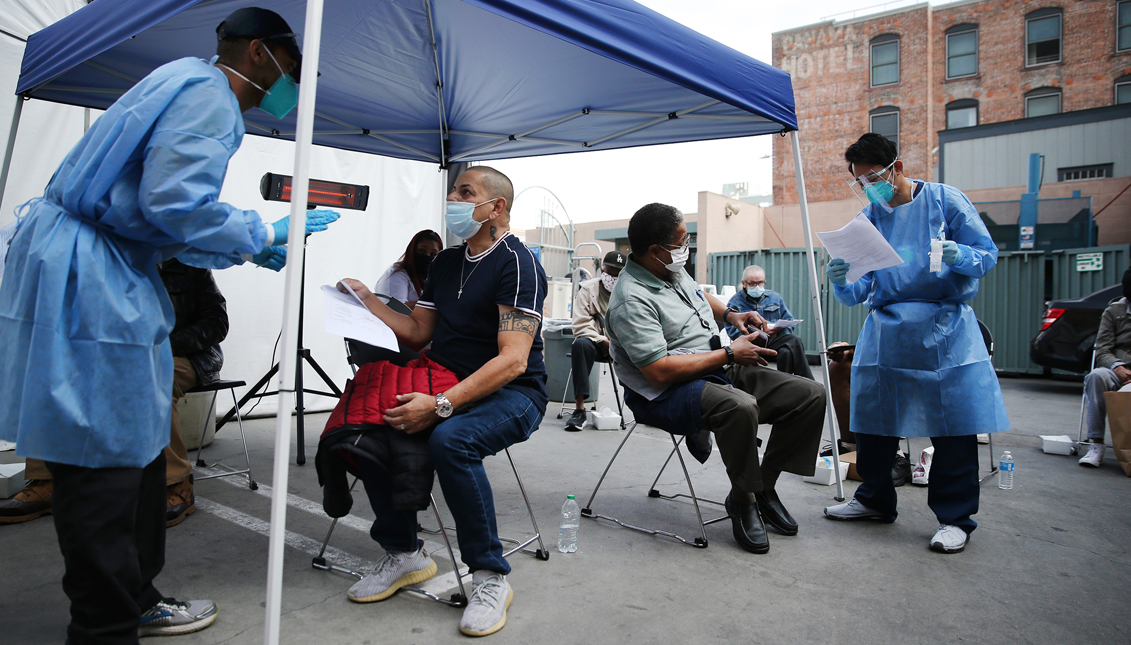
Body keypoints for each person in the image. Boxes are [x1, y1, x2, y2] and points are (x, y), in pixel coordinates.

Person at [0, 8, 340, 641]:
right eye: (292, 69)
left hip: (86, 261)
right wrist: (258, 230)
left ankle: (133, 595)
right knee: (101, 458)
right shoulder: (212, 96)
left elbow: (149, 210)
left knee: (120, 449)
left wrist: (240, 242)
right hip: (92, 280)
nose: (292, 89)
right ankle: (106, 623)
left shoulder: (178, 78)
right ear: (262, 53)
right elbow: (174, 202)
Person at [336, 165, 547, 637]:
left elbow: (513, 361)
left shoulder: (518, 263)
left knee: (452, 440)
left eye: (464, 191)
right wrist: (368, 298)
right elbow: (418, 332)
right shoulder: (447, 262)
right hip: (446, 380)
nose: (452, 197)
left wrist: (439, 404)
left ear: (497, 207)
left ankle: (490, 577)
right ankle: (406, 554)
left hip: (512, 393)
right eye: (454, 189)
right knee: (369, 427)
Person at [822, 133, 1009, 554]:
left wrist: (961, 255)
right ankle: (874, 499)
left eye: (873, 177)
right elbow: (860, 289)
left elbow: (986, 255)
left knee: (953, 427)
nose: (869, 188)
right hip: (886, 331)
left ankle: (954, 518)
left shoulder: (946, 201)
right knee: (873, 422)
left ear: (898, 168)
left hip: (943, 328)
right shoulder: (871, 217)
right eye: (860, 181)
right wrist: (842, 279)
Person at [605, 203, 826, 555]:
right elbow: (659, 371)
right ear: (655, 251)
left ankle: (762, 488)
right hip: (666, 392)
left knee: (811, 395)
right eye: (681, 241)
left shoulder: (669, 269)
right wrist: (729, 354)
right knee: (739, 406)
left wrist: (732, 314)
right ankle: (744, 500)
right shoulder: (630, 299)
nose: (686, 247)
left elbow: (698, 295)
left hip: (716, 367)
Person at [0, 258, 230, 529]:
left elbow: (217, 323)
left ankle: (176, 484)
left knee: (150, 377)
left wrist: (165, 345)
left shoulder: (190, 265)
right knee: (49, 374)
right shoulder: (114, 261)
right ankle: (49, 482)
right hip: (122, 353)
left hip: (187, 355)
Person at [564, 250, 627, 431]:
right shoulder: (588, 289)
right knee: (580, 344)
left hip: (623, 345)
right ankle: (579, 410)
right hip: (597, 344)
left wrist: (616, 344)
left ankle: (648, 406)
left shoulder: (631, 293)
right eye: (610, 272)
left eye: (618, 273)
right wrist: (602, 340)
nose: (613, 277)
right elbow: (579, 324)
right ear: (602, 270)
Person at [1078, 266, 1131, 468]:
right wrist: (1117, 367)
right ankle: (1096, 445)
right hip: (1117, 370)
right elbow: (1102, 350)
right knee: (1096, 376)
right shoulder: (1114, 311)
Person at [724, 265, 813, 379]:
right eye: (752, 284)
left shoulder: (775, 297)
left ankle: (784, 383)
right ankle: (808, 380)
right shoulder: (735, 302)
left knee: (786, 351)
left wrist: (776, 330)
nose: (757, 287)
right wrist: (753, 333)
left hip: (774, 340)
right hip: (751, 343)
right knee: (794, 340)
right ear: (744, 283)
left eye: (760, 283)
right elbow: (731, 329)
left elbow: (789, 321)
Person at [373, 229, 443, 308]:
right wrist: (434, 303)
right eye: (422, 251)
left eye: (433, 254)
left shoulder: (431, 278)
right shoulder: (396, 275)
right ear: (412, 250)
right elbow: (396, 309)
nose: (427, 256)